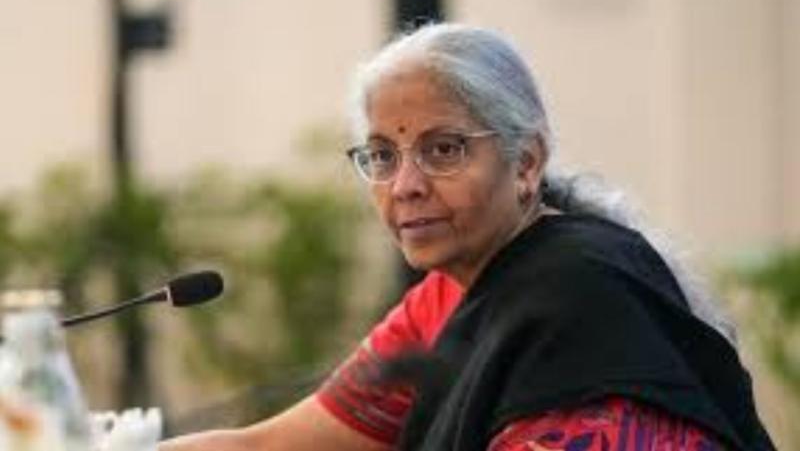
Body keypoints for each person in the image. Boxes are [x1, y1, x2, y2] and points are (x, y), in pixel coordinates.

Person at [160, 23, 775, 451]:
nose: (405, 186)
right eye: (382, 155)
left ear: (526, 163)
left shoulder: (580, 300)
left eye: (444, 150)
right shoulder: (448, 296)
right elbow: (272, 445)